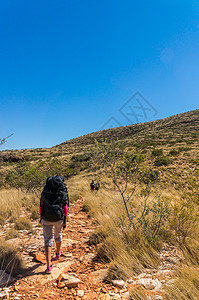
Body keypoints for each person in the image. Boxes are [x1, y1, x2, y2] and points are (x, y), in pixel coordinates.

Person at [40, 175, 69, 274]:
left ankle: (48, 266)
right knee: (58, 235)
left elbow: (41, 206)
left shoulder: (45, 192)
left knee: (47, 240)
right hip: (59, 218)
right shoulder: (62, 192)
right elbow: (65, 208)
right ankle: (57, 253)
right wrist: (65, 221)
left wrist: (41, 218)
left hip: (46, 218)